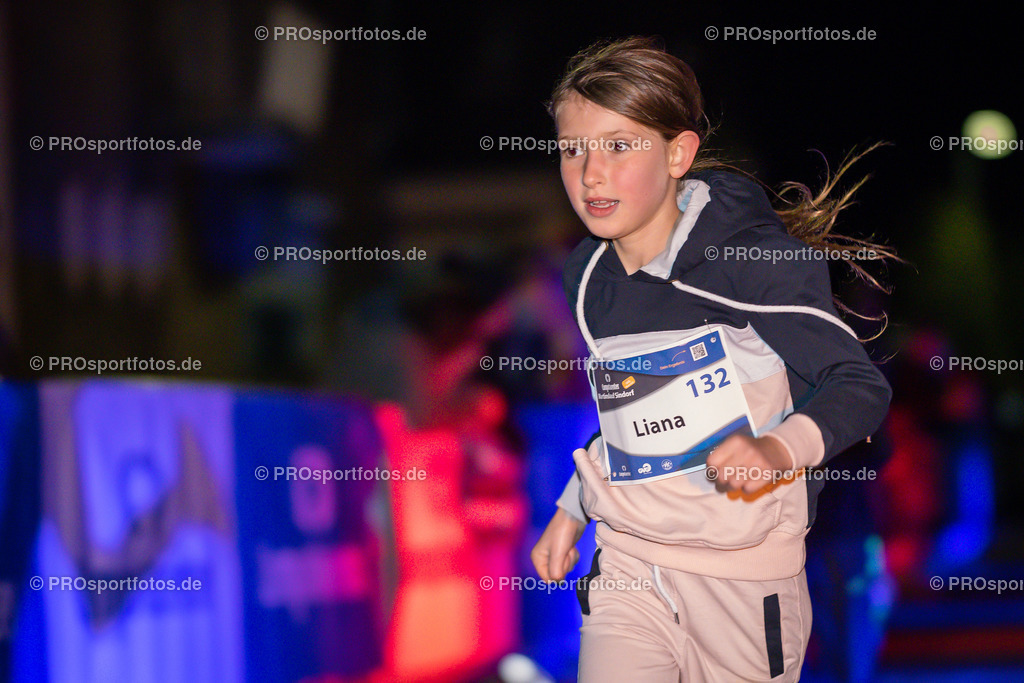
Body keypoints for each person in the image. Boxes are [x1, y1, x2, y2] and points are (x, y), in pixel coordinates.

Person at [530, 37, 893, 682]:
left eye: (620, 146)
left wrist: (777, 450)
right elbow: (637, 411)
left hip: (744, 583)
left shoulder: (749, 262)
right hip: (628, 567)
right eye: (572, 148)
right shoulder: (587, 278)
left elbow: (857, 385)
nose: (590, 173)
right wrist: (573, 505)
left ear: (678, 153)